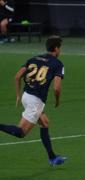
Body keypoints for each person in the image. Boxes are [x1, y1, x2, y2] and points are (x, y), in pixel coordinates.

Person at [0, 36, 67, 166]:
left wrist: (18, 96)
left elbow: (17, 76)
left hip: (26, 95)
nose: (60, 51)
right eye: (60, 48)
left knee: (45, 123)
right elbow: (57, 88)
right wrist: (58, 100)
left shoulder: (34, 59)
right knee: (21, 132)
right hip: (35, 101)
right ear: (56, 48)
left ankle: (52, 157)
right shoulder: (58, 64)